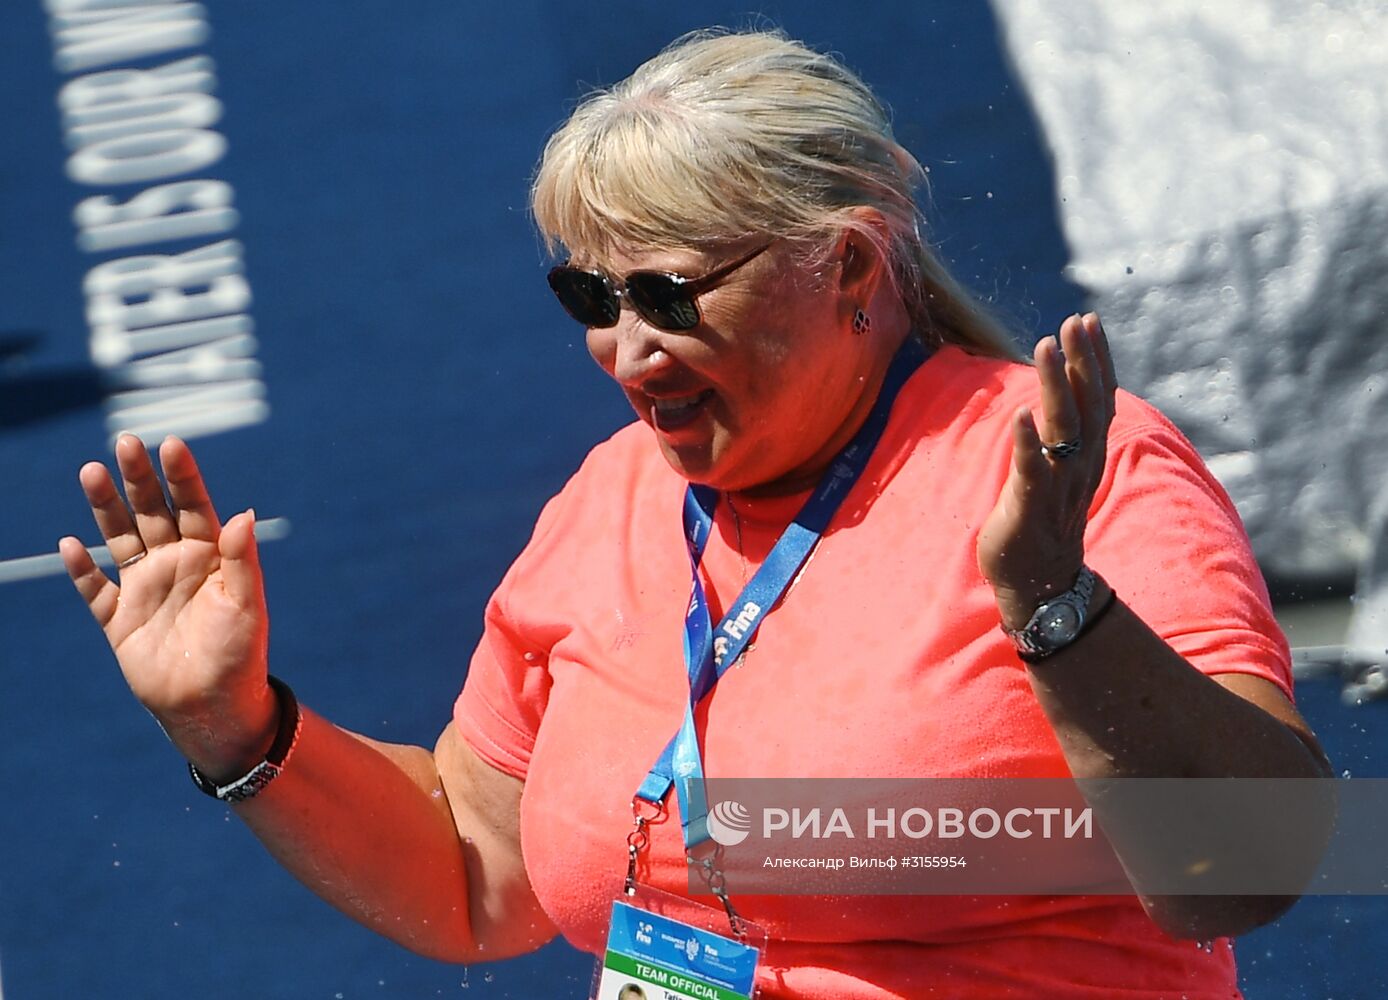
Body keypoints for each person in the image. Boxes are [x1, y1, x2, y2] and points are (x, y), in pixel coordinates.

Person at [60, 28, 1331, 1000]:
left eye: (670, 293)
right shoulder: (616, 495)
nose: (626, 352)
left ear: (846, 263)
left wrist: (1058, 608)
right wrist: (234, 726)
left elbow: (1259, 863)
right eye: (589, 299)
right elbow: (475, 869)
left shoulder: (1060, 468)